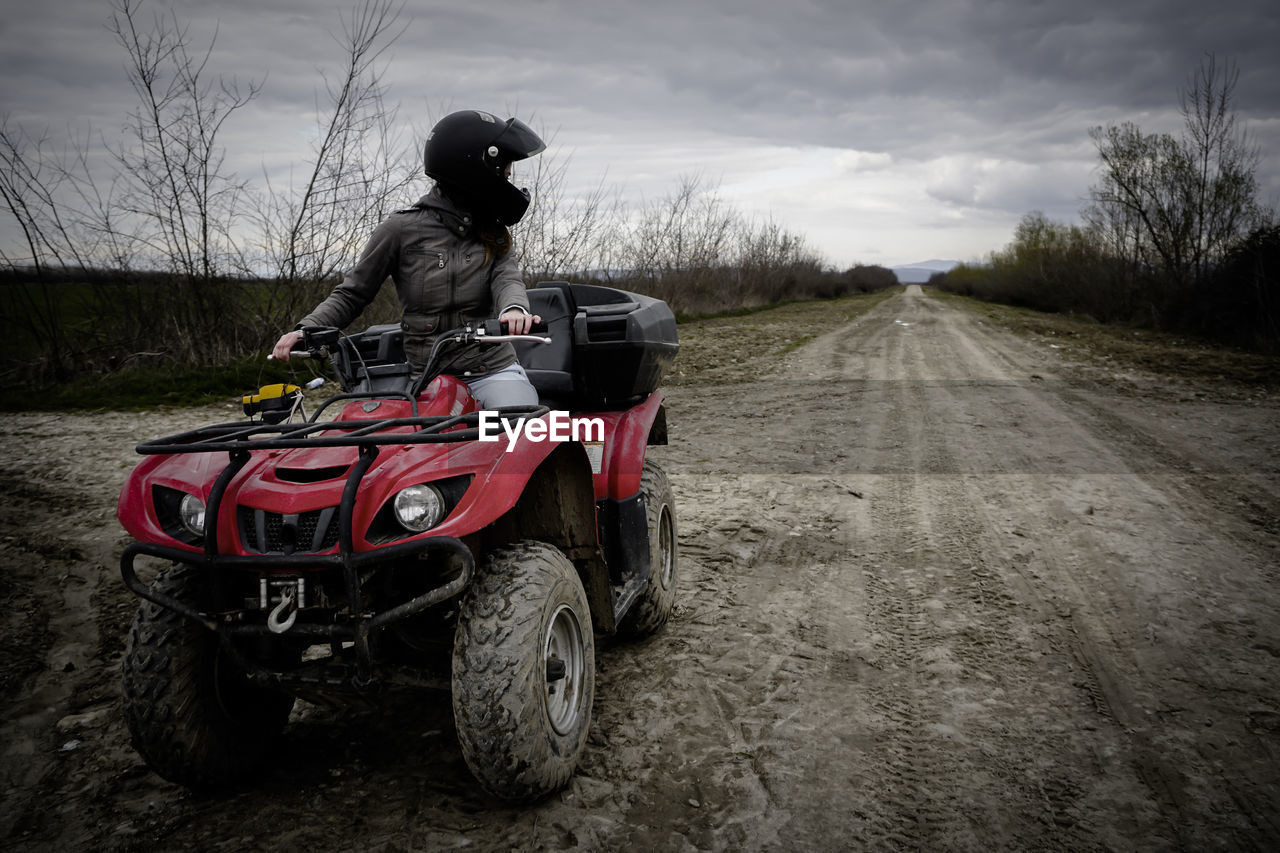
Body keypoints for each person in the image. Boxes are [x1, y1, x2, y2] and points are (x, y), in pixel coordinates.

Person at [271, 109, 545, 408]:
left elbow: (507, 279)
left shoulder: (495, 232)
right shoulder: (400, 230)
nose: (508, 181)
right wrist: (306, 330)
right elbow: (353, 293)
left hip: (491, 370)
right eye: (504, 174)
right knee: (409, 448)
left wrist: (514, 310)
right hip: (428, 375)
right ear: (474, 173)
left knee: (519, 429)